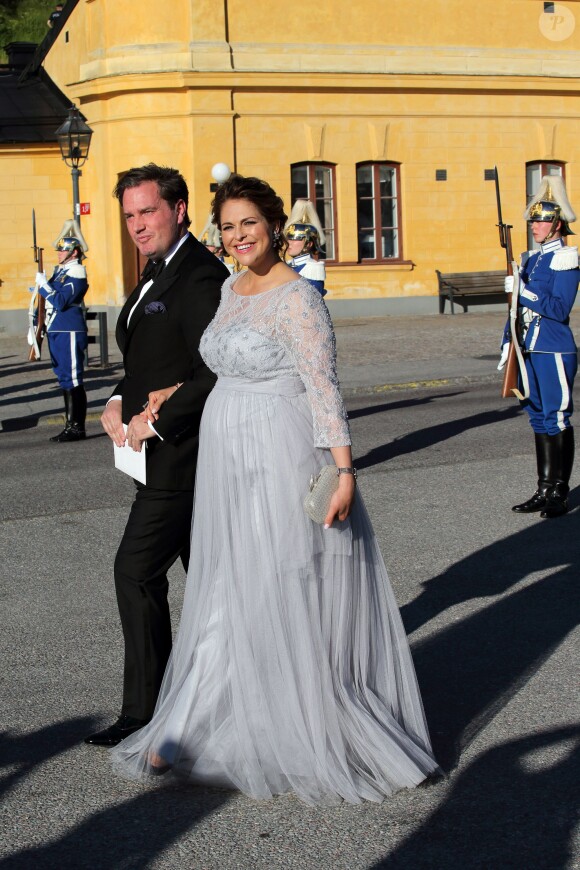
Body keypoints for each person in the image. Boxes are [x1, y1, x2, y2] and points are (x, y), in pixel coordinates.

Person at [111, 174, 439, 805]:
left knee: (277, 578)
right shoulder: (231, 287)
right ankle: (191, 717)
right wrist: (170, 393)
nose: (238, 237)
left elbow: (325, 392)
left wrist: (344, 473)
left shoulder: (299, 299)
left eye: (249, 225)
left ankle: (291, 720)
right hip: (226, 454)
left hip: (279, 449)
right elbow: (215, 364)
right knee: (228, 580)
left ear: (274, 227)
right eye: (228, 227)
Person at [84, 164, 228, 747]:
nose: (138, 225)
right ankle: (219, 696)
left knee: (135, 571)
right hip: (159, 453)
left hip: (184, 458)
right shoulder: (157, 269)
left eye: (147, 211)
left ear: (180, 208)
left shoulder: (199, 275)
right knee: (215, 583)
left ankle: (147, 712)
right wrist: (121, 396)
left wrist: (156, 419)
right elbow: (150, 359)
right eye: (129, 215)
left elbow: (212, 369)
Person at [499, 175, 579, 518]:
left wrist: (524, 289)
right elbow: (515, 310)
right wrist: (507, 342)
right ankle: (543, 488)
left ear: (557, 224)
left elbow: (559, 309)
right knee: (538, 418)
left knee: (557, 418)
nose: (535, 226)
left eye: (542, 220)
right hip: (528, 347)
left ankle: (560, 493)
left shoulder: (567, 259)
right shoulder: (529, 260)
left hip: (554, 348)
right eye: (533, 220)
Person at [34, 234, 89, 443]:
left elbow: (60, 301)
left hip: (69, 329)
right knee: (64, 378)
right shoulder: (61, 273)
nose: (59, 253)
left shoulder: (77, 273)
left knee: (73, 378)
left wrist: (43, 286)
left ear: (74, 252)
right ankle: (69, 424)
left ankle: (77, 426)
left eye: (63, 250)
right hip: (57, 328)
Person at [285, 199, 327, 296]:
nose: (289, 243)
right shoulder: (287, 265)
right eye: (289, 238)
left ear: (309, 244)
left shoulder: (313, 269)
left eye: (295, 239)